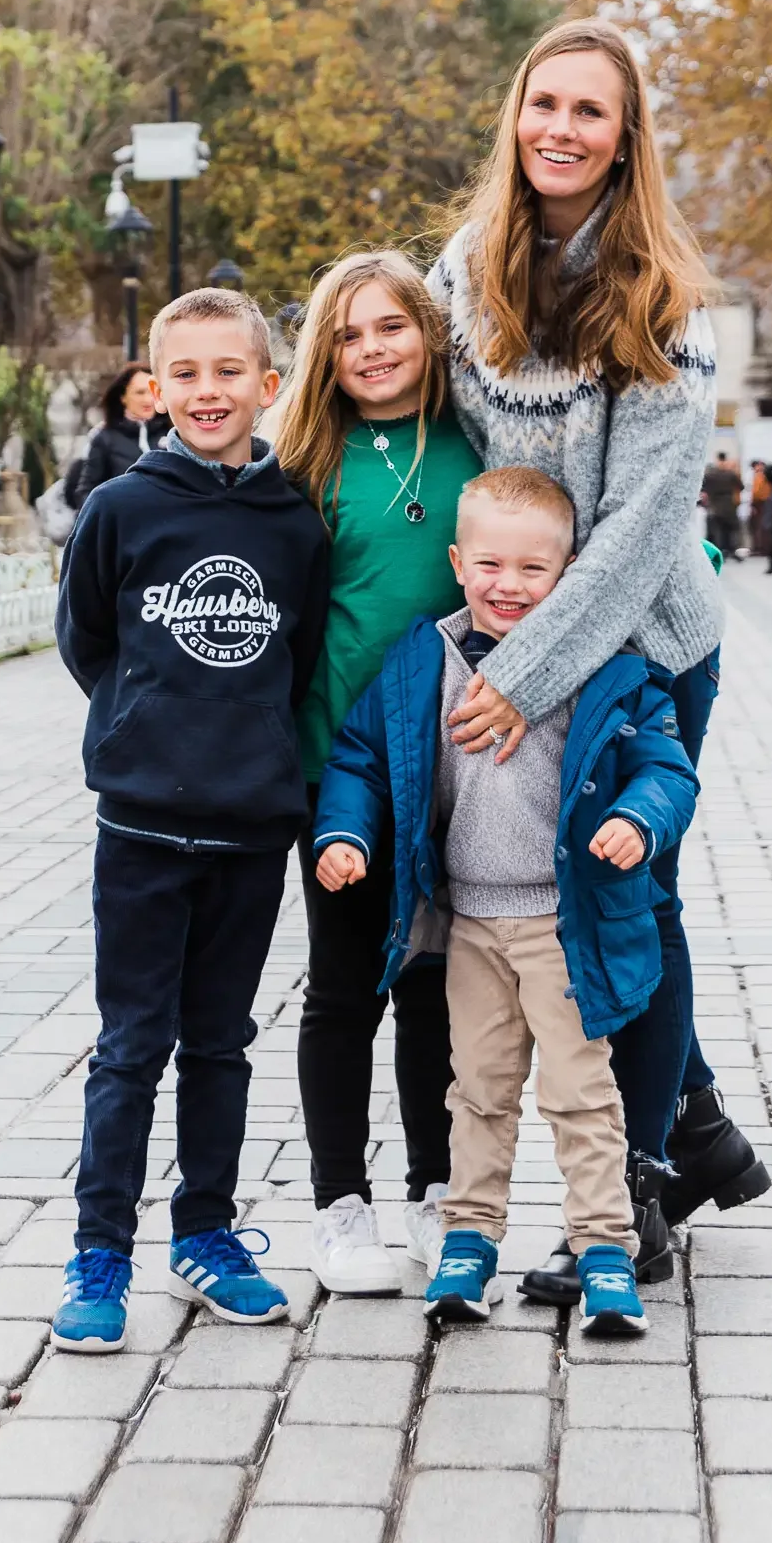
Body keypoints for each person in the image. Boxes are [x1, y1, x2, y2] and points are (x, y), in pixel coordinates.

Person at [426, 16, 767, 1309]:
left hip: (644, 652)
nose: (560, 130)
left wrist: (522, 681)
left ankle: (633, 1193)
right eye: (543, 105)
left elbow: (635, 538)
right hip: (513, 635)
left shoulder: (664, 300)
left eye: (590, 113)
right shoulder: (470, 272)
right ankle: (701, 1123)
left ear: (627, 142)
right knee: (558, 908)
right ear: (517, 117)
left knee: (626, 901)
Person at [313, 466, 698, 1338]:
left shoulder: (607, 666)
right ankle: (469, 1240)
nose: (510, 586)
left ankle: (605, 1245)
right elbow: (361, 760)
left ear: (569, 577)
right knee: (477, 1091)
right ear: (456, 561)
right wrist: (346, 836)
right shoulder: (422, 663)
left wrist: (639, 818)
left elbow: (665, 767)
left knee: (579, 1093)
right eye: (492, 564)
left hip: (567, 926)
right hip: (469, 929)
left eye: (535, 570)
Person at [49, 286, 331, 1353]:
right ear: (154, 390)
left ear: (268, 387)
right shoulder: (121, 508)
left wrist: (246, 742)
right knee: (132, 1045)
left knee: (221, 1042)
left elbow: (298, 659)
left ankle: (207, 1233)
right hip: (142, 829)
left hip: (252, 827)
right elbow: (85, 640)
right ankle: (100, 1252)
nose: (208, 393)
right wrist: (144, 728)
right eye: (187, 375)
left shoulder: (293, 519)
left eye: (231, 373)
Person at [272, 250, 480, 1295]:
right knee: (344, 987)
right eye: (348, 334)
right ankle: (339, 1203)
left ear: (429, 332)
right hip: (338, 769)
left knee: (434, 989)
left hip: (461, 765)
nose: (370, 350)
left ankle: (438, 1193)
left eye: (390, 327)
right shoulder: (307, 459)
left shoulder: (478, 443)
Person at [64, 364, 161, 511]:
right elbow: (86, 492)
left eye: (152, 392)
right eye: (140, 393)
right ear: (123, 397)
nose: (148, 399)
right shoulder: (104, 438)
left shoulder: (174, 434)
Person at [701, 452, 742, 560]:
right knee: (729, 530)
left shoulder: (710, 474)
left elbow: (703, 487)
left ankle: (719, 552)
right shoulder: (730, 474)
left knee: (717, 531)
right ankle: (730, 551)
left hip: (715, 506)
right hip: (729, 505)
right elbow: (741, 486)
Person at [746, 460, 772, 561]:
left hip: (761, 504)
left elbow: (756, 492)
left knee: (761, 527)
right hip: (760, 504)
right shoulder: (761, 476)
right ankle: (761, 547)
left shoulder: (761, 477)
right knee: (759, 527)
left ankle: (762, 548)